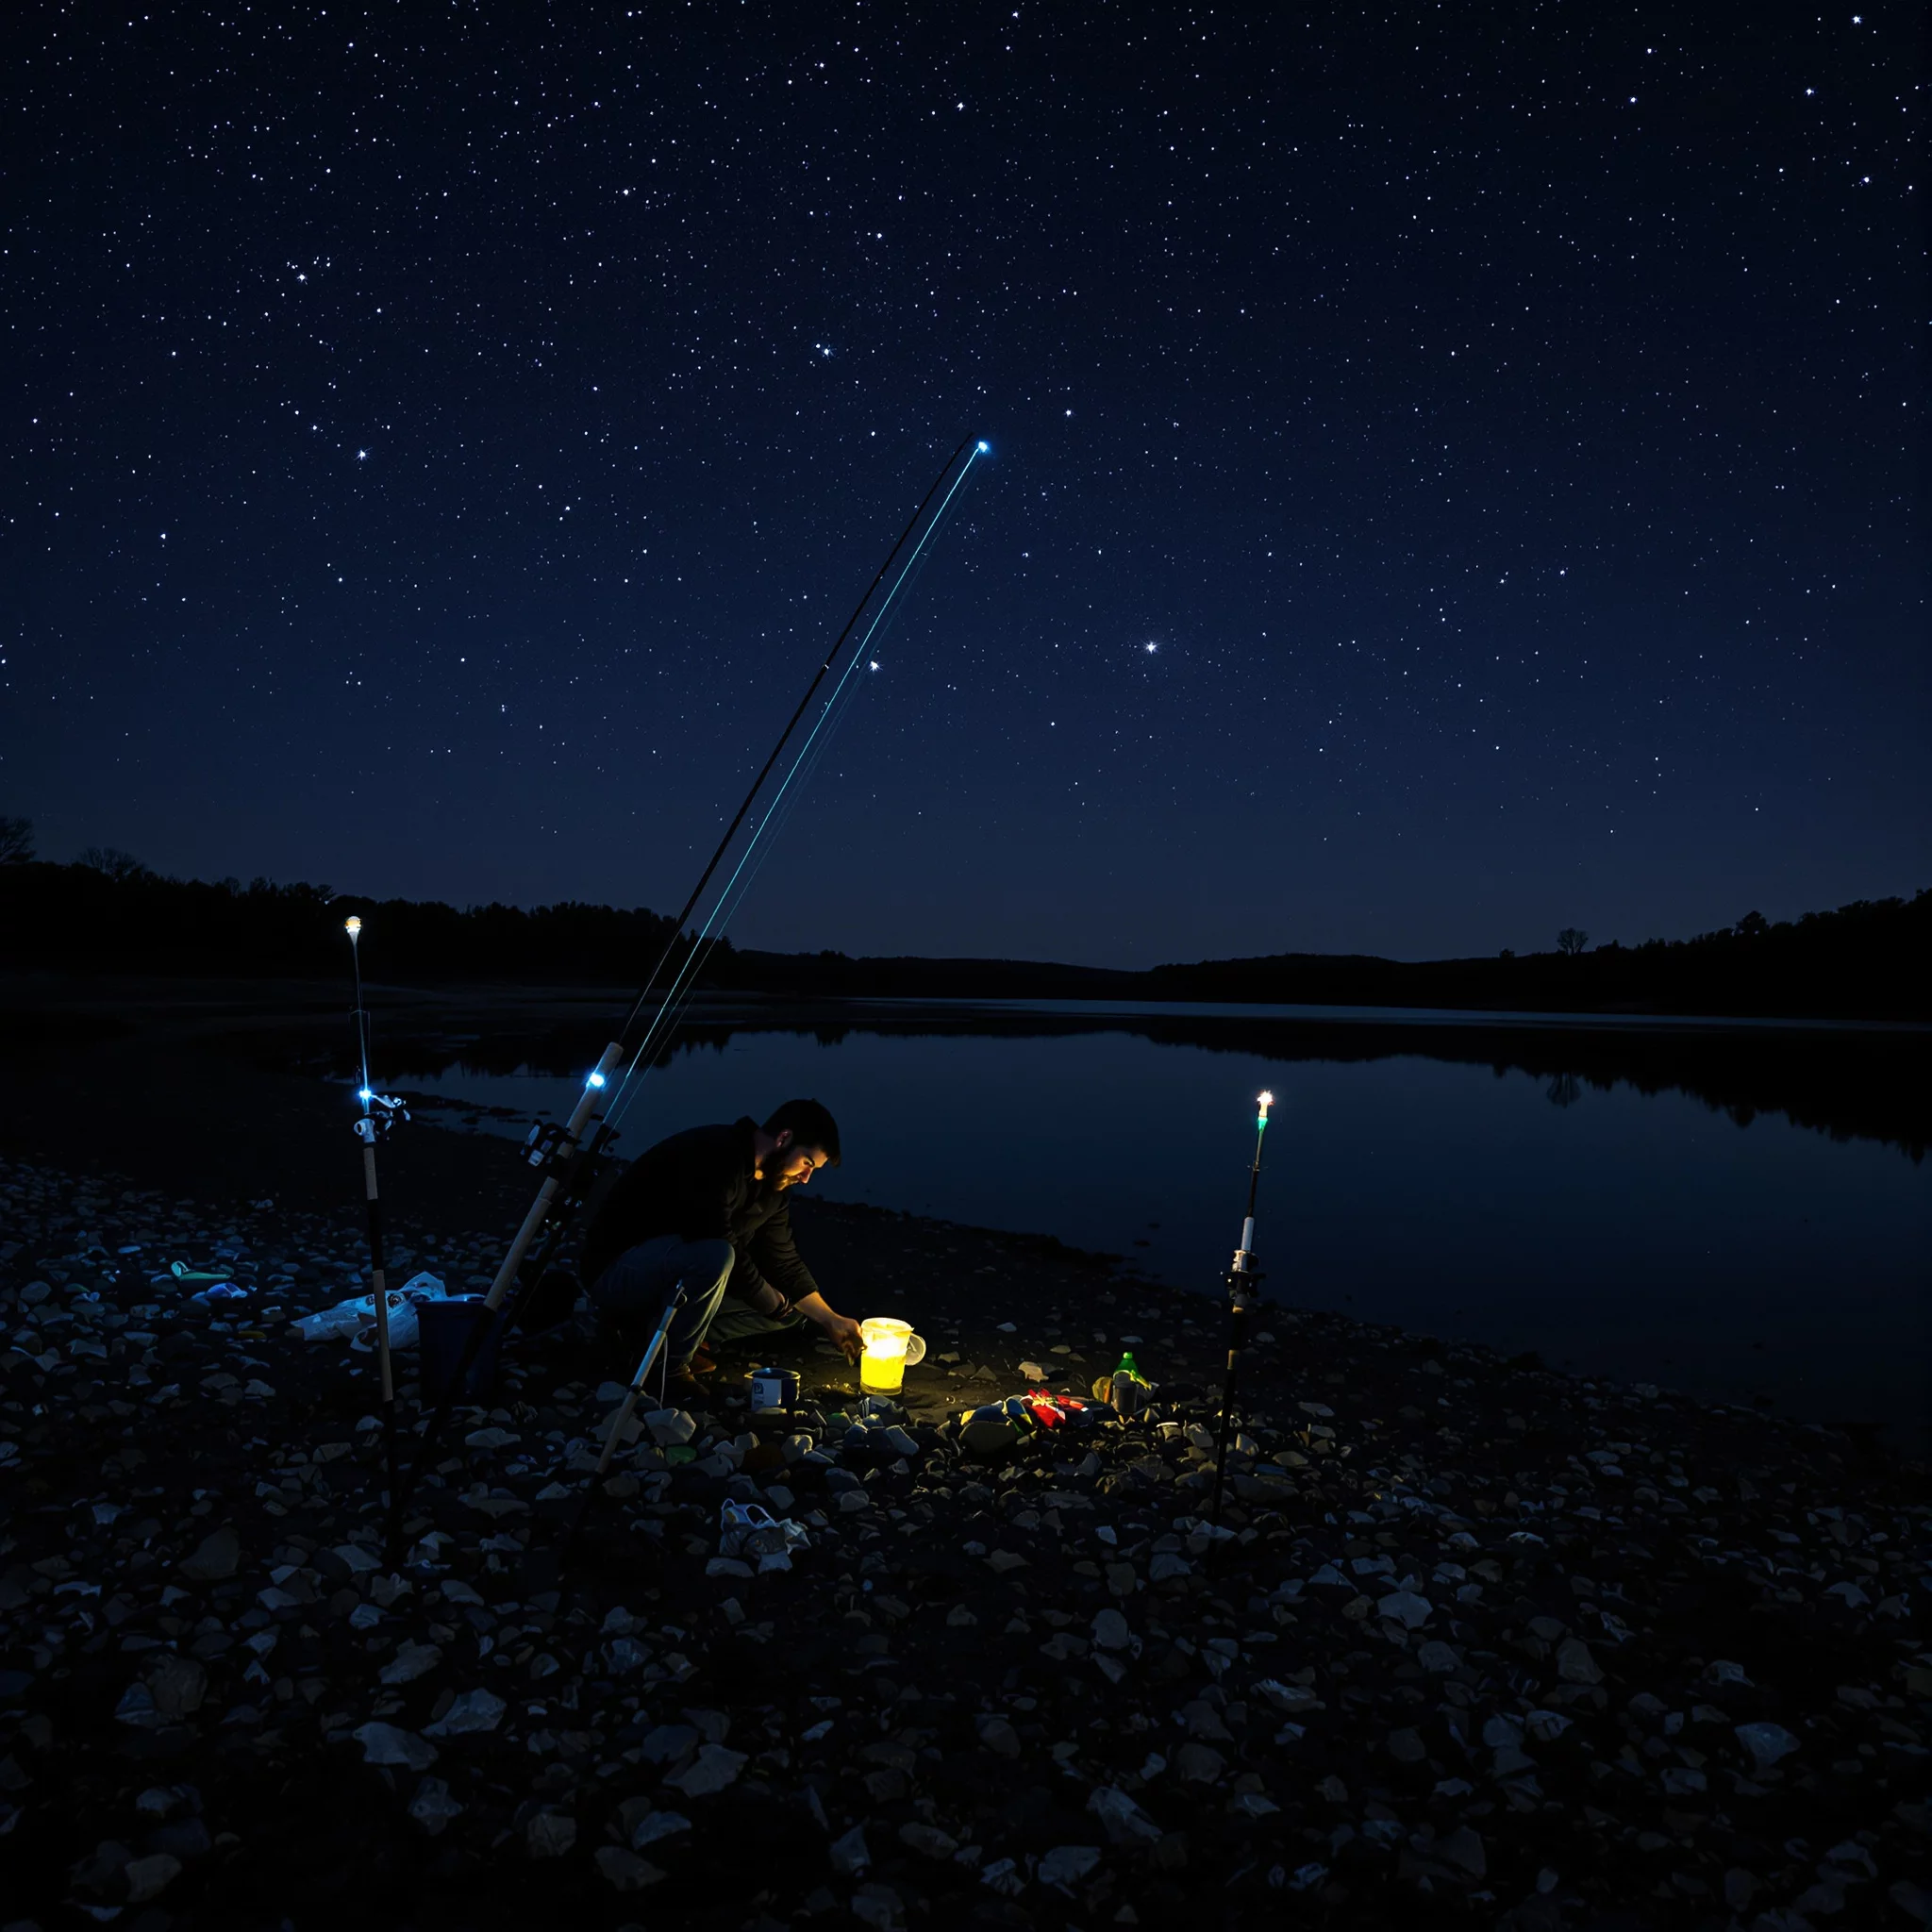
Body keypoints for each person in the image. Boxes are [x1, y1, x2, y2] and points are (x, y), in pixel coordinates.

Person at [579, 1098, 861, 1399]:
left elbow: (783, 1261)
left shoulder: (773, 1188)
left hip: (677, 1276)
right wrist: (770, 1301)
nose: (806, 1178)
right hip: (618, 1272)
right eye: (807, 1163)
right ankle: (668, 1369)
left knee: (796, 1310)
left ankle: (650, 1337)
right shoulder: (716, 1154)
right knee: (718, 1257)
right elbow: (718, 1239)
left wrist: (830, 1318)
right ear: (784, 1138)